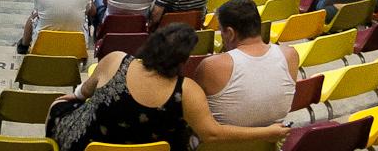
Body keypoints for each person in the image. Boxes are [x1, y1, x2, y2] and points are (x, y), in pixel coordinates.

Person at [45, 24, 289, 151]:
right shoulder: (188, 90)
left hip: (90, 146)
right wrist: (268, 132)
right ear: (182, 60)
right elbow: (212, 133)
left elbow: (83, 92)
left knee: (60, 106)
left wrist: (67, 99)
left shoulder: (116, 59)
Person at [194, 0, 299, 130]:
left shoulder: (211, 66)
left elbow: (193, 110)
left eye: (221, 30)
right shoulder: (290, 55)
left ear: (230, 33)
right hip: (270, 144)